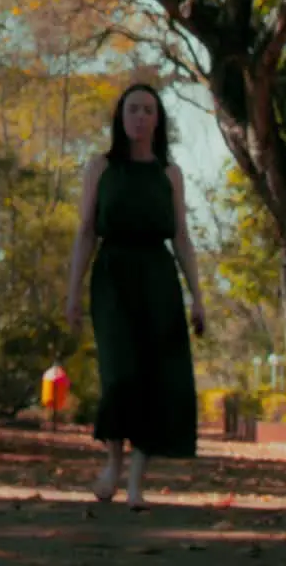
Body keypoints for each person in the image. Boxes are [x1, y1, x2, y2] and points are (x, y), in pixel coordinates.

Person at [65, 83, 204, 511]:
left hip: (159, 279)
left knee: (153, 378)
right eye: (132, 110)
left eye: (148, 110)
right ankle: (112, 463)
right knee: (119, 373)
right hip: (112, 276)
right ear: (120, 118)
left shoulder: (170, 173)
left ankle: (136, 482)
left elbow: (181, 237)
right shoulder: (99, 168)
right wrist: (72, 293)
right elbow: (86, 231)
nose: (140, 117)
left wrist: (197, 296)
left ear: (157, 119)